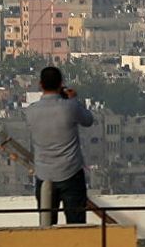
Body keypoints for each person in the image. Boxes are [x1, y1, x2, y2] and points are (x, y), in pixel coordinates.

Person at [24, 66, 94, 225]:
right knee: (76, 225)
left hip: (43, 174)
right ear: (61, 84)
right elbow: (88, 120)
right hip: (71, 173)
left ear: (40, 85)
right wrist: (74, 99)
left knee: (47, 225)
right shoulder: (70, 107)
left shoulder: (30, 112)